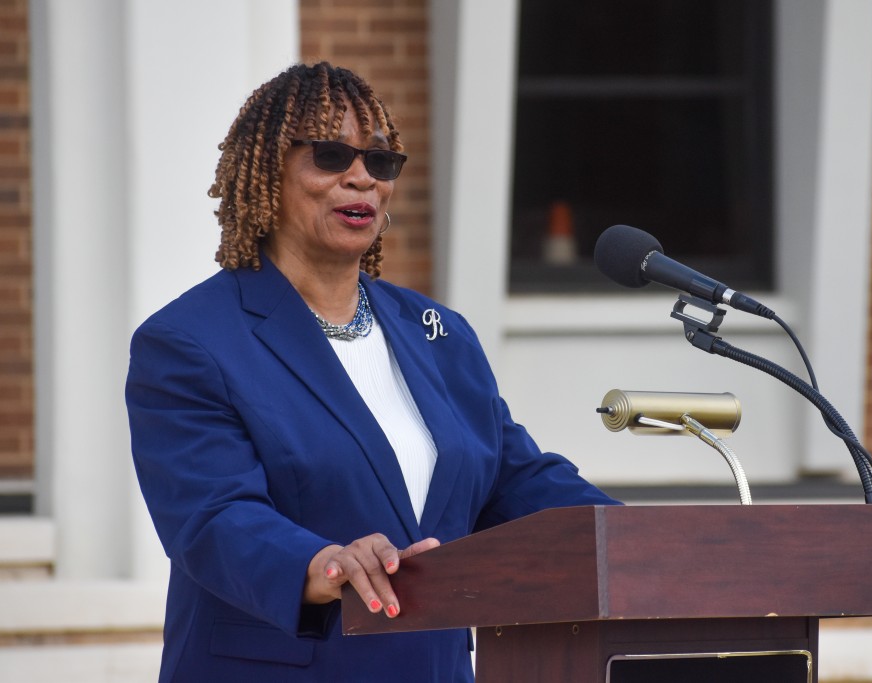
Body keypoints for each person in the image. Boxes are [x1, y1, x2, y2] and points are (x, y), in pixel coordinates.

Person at [125, 61, 617, 682]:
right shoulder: (192, 341)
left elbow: (515, 482)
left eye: (380, 162)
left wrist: (645, 539)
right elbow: (213, 518)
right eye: (330, 157)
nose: (361, 178)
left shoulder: (438, 333)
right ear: (268, 171)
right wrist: (322, 562)